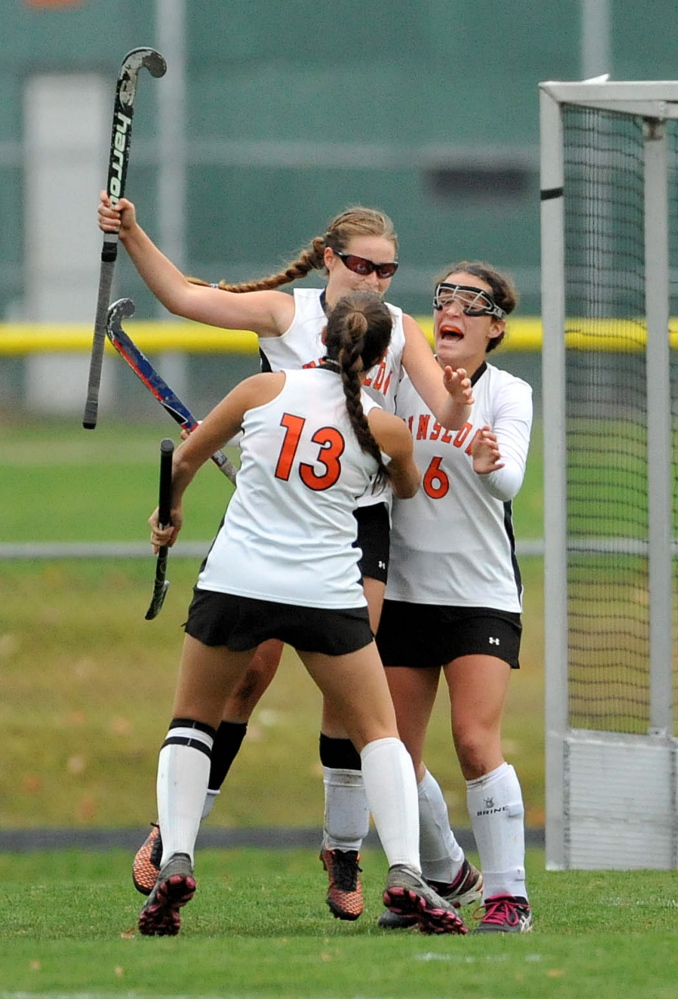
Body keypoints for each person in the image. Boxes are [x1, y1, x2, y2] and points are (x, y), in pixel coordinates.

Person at [98, 194, 477, 921]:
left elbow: (442, 415)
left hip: (354, 521)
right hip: (278, 517)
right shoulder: (286, 314)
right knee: (247, 679)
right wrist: (135, 230)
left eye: (388, 269)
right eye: (362, 263)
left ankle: (342, 848)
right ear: (330, 257)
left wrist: (459, 401)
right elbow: (181, 296)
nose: (374, 279)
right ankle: (177, 830)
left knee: (349, 692)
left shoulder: (399, 331)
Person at [374, 262, 534, 933]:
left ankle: (508, 896)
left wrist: (492, 463)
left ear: (495, 326)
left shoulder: (509, 393)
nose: (454, 309)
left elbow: (511, 482)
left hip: (479, 595)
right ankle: (441, 871)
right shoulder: (400, 383)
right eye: (445, 296)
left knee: (474, 741)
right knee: (394, 757)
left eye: (474, 301)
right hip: (406, 591)